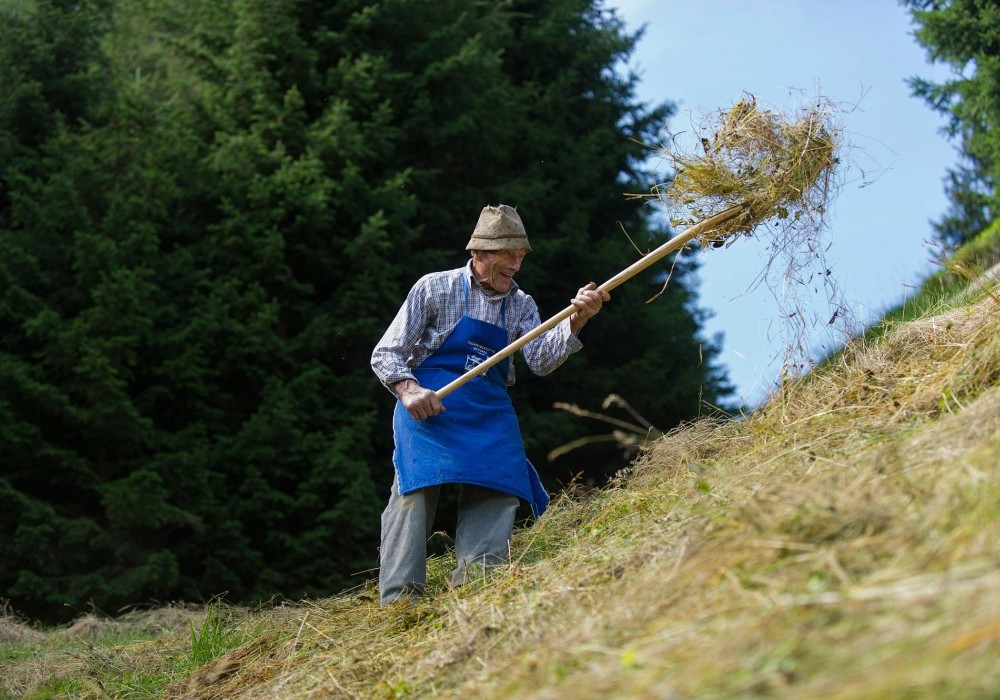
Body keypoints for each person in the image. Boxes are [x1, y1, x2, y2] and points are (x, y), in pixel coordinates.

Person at [370, 203, 610, 604]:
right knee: (414, 492)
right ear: (478, 252)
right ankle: (400, 601)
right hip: (432, 406)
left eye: (521, 256)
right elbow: (387, 353)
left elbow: (540, 361)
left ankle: (479, 594)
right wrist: (410, 391)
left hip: (488, 409)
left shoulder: (521, 305)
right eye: (508, 254)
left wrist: (577, 320)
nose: (516, 264)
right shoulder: (434, 288)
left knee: (499, 489)